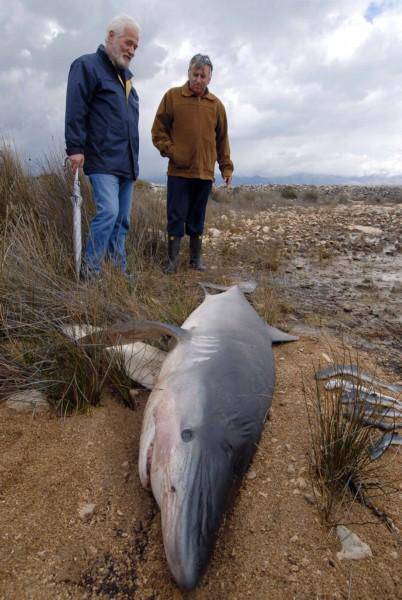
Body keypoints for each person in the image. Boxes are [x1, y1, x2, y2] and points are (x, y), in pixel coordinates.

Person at [65, 15, 140, 280]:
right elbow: (76, 107)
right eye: (128, 43)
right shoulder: (87, 66)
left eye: (135, 47)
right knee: (108, 212)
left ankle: (117, 270)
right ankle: (91, 272)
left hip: (126, 164)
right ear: (111, 36)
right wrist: (75, 147)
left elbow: (131, 126)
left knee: (122, 222)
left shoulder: (128, 83)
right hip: (102, 159)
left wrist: (135, 165)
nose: (132, 50)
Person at [151, 53, 234, 273]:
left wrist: (226, 167)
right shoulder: (172, 96)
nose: (198, 79)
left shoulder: (216, 105)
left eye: (203, 76)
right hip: (178, 172)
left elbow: (222, 139)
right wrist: (172, 151)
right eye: (194, 74)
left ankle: (195, 260)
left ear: (209, 78)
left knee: (197, 217)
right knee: (176, 216)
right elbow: (158, 131)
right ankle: (173, 261)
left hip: (204, 173)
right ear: (188, 73)